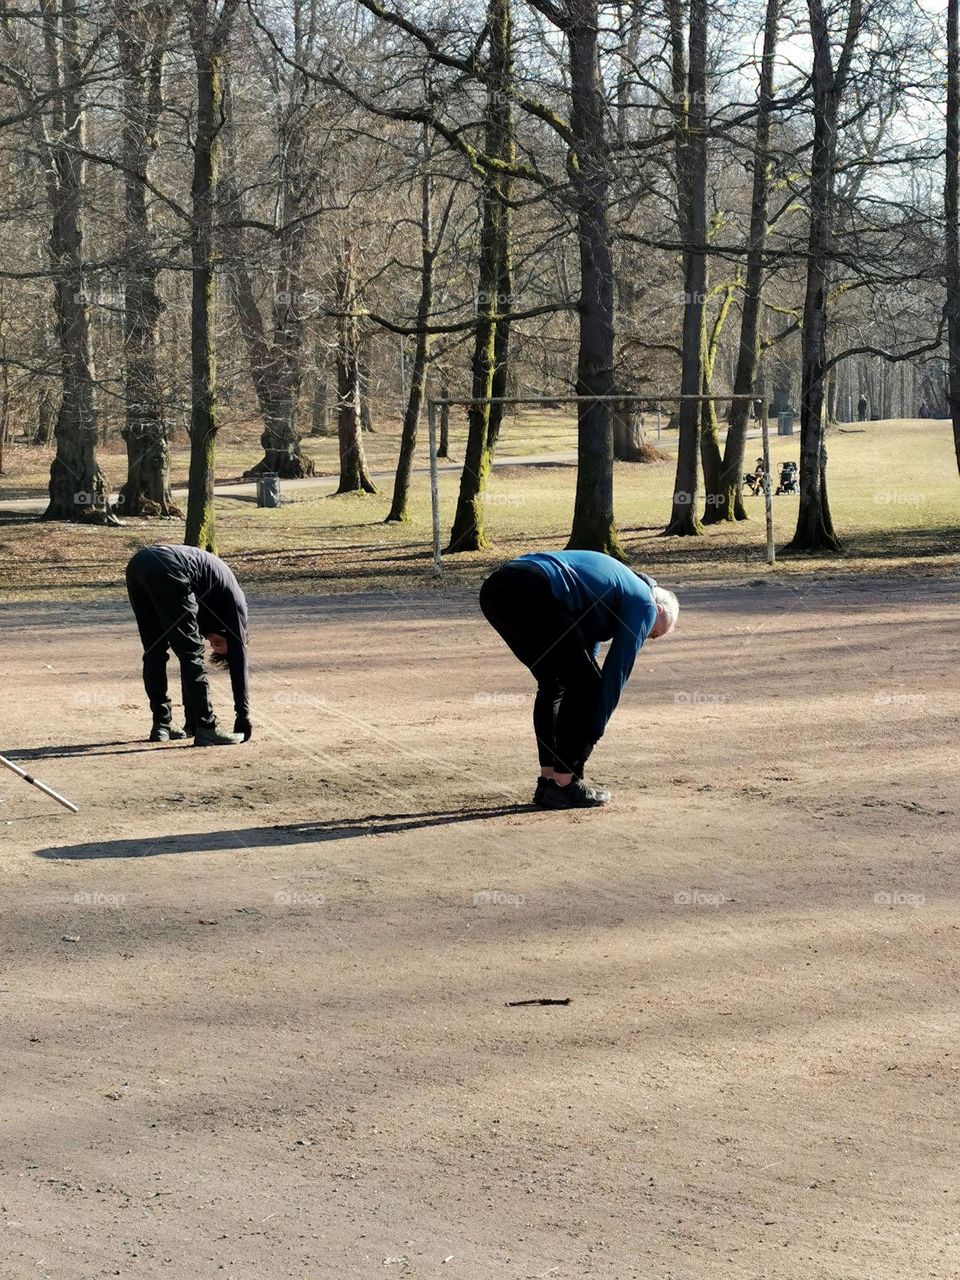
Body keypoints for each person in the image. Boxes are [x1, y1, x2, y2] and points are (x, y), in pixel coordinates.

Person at [479, 550, 679, 809]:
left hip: (498, 589)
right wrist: (593, 733)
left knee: (556, 682)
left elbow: (585, 652)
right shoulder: (644, 604)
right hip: (531, 589)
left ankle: (549, 782)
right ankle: (566, 784)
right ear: (658, 609)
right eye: (653, 634)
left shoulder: (615, 588)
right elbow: (615, 674)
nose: (647, 636)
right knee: (588, 686)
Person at [125, 544, 252, 746]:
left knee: (154, 650)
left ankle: (162, 724)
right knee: (191, 654)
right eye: (217, 641)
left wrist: (190, 720)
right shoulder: (236, 607)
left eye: (213, 644)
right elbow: (239, 660)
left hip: (139, 564)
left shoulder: (212, 603)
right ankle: (207, 726)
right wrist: (242, 714)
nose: (210, 641)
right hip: (171, 566)